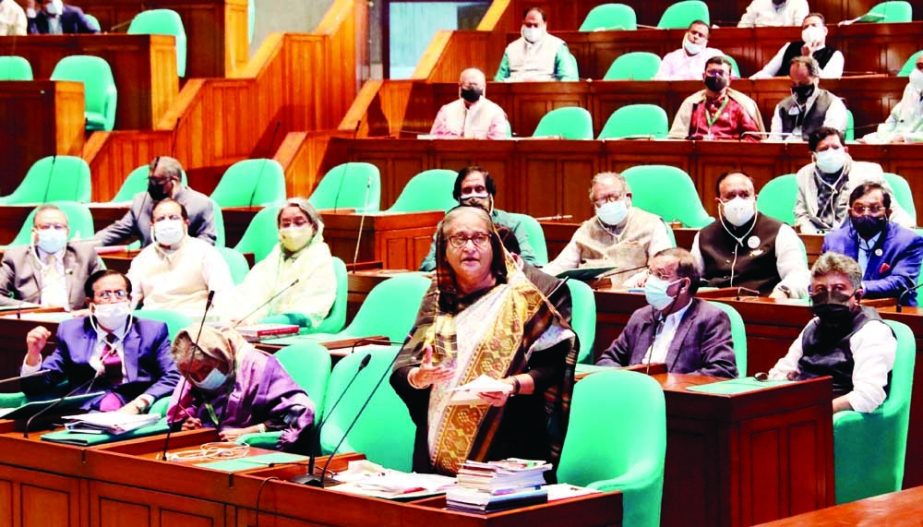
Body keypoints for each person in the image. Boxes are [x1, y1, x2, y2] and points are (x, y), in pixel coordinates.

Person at [391, 206, 576, 476]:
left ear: (494, 244)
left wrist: (509, 385)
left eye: (479, 238)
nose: (470, 247)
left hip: (510, 442)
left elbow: (553, 367)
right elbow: (406, 361)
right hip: (436, 455)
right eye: (459, 239)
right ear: (443, 248)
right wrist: (419, 377)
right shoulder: (438, 296)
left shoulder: (534, 294)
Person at [20, 270, 180, 413]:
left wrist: (142, 402)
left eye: (120, 294)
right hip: (84, 411)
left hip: (134, 410)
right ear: (91, 304)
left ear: (130, 299)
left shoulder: (152, 331)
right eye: (105, 295)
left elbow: (174, 375)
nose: (113, 300)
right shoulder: (71, 332)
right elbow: (36, 387)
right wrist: (33, 355)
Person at [768, 253, 896, 413]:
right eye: (821, 289)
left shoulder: (872, 331)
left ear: (857, 296)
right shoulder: (813, 325)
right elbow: (779, 373)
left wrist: (813, 411)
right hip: (799, 411)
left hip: (835, 422)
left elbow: (868, 396)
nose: (829, 297)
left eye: (838, 289)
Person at [166, 326, 315, 451]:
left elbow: (301, 412)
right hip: (208, 451)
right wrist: (189, 424)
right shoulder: (191, 371)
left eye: (205, 369)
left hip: (255, 453)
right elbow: (186, 409)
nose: (200, 379)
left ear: (221, 357)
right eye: (191, 374)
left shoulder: (258, 367)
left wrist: (251, 431)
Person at [597, 248, 738, 378]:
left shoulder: (710, 318)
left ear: (684, 285)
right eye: (650, 273)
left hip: (678, 400)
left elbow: (722, 370)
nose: (650, 281)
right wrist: (625, 380)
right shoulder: (641, 316)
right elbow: (608, 360)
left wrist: (668, 383)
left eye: (660, 275)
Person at [221, 198, 336, 328]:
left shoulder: (319, 256)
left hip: (296, 330)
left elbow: (305, 314)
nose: (292, 229)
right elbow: (249, 295)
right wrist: (238, 318)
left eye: (299, 223)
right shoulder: (275, 256)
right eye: (286, 224)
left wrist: (257, 323)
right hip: (256, 328)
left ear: (314, 227)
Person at [691, 172, 810, 298]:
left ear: (755, 199)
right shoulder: (704, 236)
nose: (738, 201)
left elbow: (798, 275)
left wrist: (784, 292)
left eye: (744, 195)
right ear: (719, 202)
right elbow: (690, 278)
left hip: (763, 305)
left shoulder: (780, 231)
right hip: (715, 308)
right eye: (730, 196)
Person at [543, 172, 673, 286]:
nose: (609, 203)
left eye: (614, 197)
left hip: (636, 297)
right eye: (602, 199)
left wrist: (643, 278)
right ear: (594, 204)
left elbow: (664, 266)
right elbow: (559, 267)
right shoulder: (586, 230)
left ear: (628, 197)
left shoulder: (651, 223)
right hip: (596, 298)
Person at [126, 199, 233, 319]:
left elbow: (222, 294)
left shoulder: (204, 252)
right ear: (152, 225)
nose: (167, 223)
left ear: (185, 223)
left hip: (193, 323)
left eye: (173, 218)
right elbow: (129, 297)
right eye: (161, 219)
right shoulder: (142, 259)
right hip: (154, 325)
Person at [794, 127, 913, 234]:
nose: (831, 152)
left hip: (858, 238)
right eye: (824, 149)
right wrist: (809, 234)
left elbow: (891, 208)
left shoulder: (869, 172)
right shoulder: (804, 175)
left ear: (845, 150)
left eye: (835, 147)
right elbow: (801, 214)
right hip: (818, 238)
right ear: (813, 155)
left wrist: (907, 230)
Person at [821, 183, 923, 306]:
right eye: (859, 209)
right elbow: (822, 277)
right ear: (850, 212)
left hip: (891, 312)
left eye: (874, 208)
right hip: (842, 312)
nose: (866, 214)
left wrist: (859, 287)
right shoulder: (834, 240)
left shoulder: (908, 241)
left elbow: (901, 281)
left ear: (888, 212)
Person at [420, 166, 536, 271]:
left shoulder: (512, 224)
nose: (474, 197)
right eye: (467, 191)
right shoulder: (447, 225)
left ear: (490, 194)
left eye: (479, 189)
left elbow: (530, 263)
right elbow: (428, 265)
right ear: (459, 197)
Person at [94, 156, 217, 247]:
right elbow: (117, 230)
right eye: (149, 180)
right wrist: (88, 244)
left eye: (156, 181)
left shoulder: (201, 204)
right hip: (149, 266)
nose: (150, 185)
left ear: (173, 181)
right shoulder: (141, 201)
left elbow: (207, 240)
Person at [0, 204, 103, 310]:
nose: (52, 231)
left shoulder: (85, 254)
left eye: (58, 227)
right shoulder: (16, 258)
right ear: (34, 232)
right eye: (45, 227)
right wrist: (32, 308)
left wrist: (87, 313)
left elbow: (105, 289)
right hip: (33, 320)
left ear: (67, 232)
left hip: (75, 321)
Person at [668, 55, 764, 141]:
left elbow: (754, 137)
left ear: (730, 80)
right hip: (697, 156)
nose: (716, 76)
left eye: (721, 73)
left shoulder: (740, 105)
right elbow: (677, 138)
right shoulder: (692, 104)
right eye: (712, 72)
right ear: (704, 76)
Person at [768, 56, 847, 141]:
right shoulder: (782, 107)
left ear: (816, 79)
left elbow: (829, 140)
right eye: (794, 84)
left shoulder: (833, 104)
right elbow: (774, 139)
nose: (798, 88)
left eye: (803, 84)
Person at [495, 7, 578, 82]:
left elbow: (568, 80)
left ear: (545, 25)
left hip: (547, 94)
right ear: (523, 24)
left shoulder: (557, 46)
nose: (532, 28)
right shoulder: (511, 48)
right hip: (515, 94)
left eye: (536, 25)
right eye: (528, 25)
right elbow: (499, 80)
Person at [751, 13, 843, 79]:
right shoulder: (790, 47)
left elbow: (828, 82)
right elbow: (767, 72)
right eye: (805, 27)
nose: (810, 29)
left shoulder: (835, 55)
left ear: (825, 31)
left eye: (814, 25)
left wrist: (809, 58)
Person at [430, 68, 510, 139]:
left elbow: (498, 143)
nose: (472, 88)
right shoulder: (446, 111)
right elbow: (435, 138)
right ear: (460, 86)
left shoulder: (495, 112)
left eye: (475, 85)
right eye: (468, 85)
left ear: (483, 87)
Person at [862, 54, 923, 144]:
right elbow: (894, 118)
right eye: (919, 67)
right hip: (897, 141)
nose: (920, 71)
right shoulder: (911, 88)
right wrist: (881, 136)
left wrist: (905, 137)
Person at [654, 20, 725, 81]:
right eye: (693, 32)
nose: (696, 37)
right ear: (686, 34)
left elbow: (730, 77)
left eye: (701, 35)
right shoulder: (671, 57)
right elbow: (659, 80)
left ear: (706, 41)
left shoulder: (714, 55)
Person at [26, 0, 98, 34]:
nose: (54, 3)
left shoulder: (74, 13)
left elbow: (93, 32)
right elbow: (34, 38)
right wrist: (31, 14)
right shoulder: (38, 18)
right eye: (49, 1)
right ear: (42, 6)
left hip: (72, 53)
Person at [738, 0, 809, 28]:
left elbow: (800, 29)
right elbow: (743, 26)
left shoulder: (800, 3)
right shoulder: (758, 2)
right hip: (760, 46)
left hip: (789, 47)